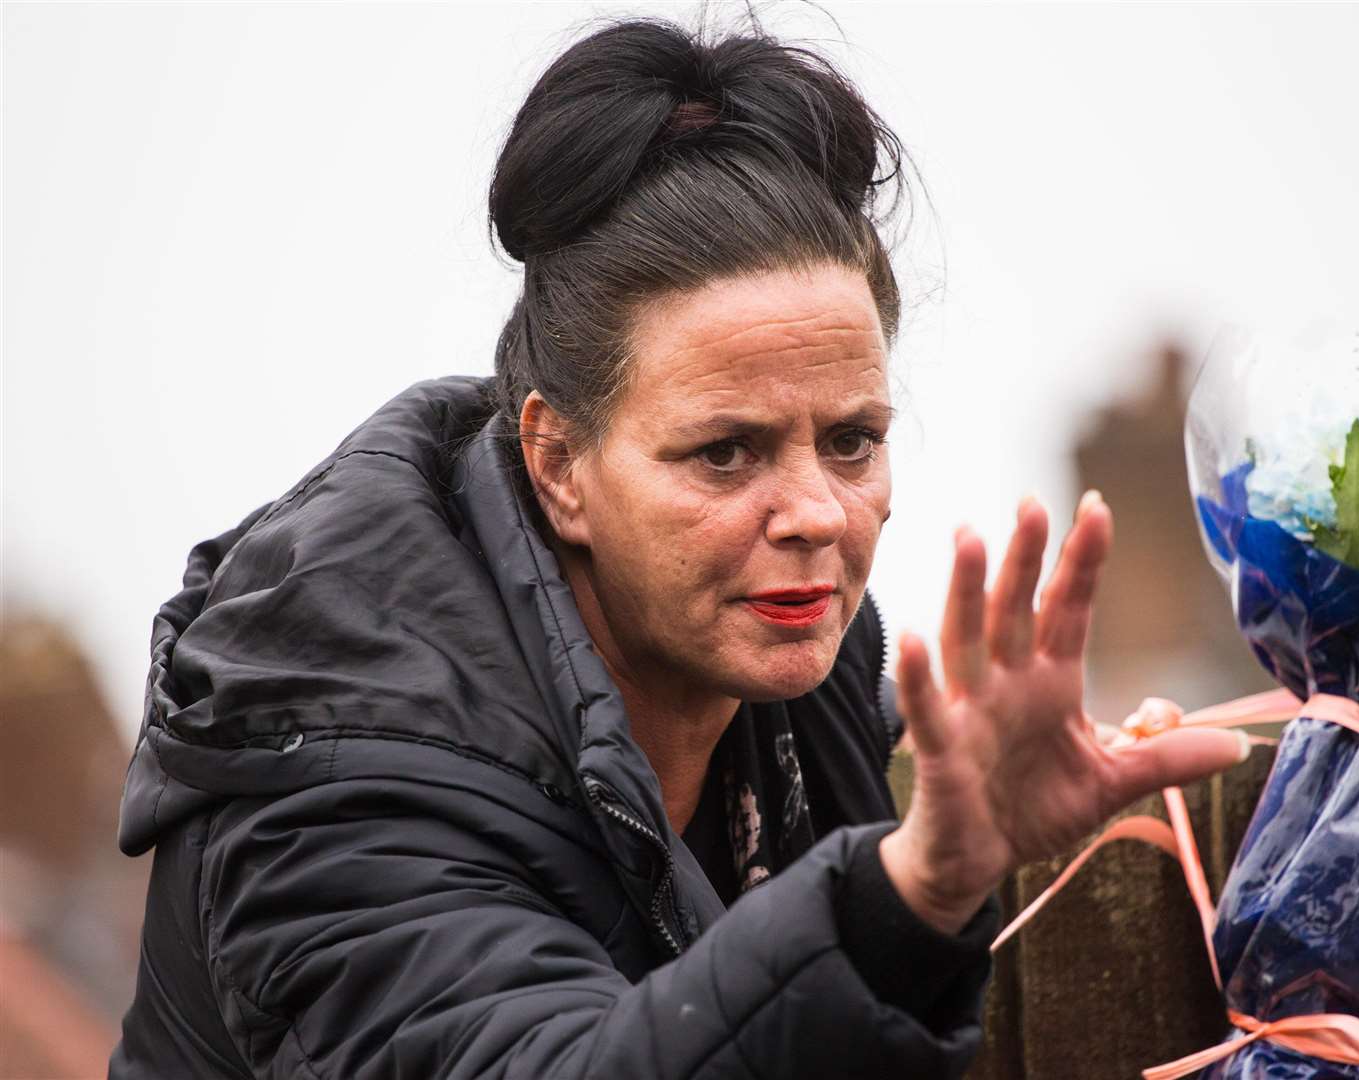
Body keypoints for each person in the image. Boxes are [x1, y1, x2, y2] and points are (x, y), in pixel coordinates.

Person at [110, 15, 1248, 1079]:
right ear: (557, 465)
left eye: (852, 440)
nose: (815, 512)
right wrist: (909, 891)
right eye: (724, 453)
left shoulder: (811, 702)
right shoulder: (345, 773)